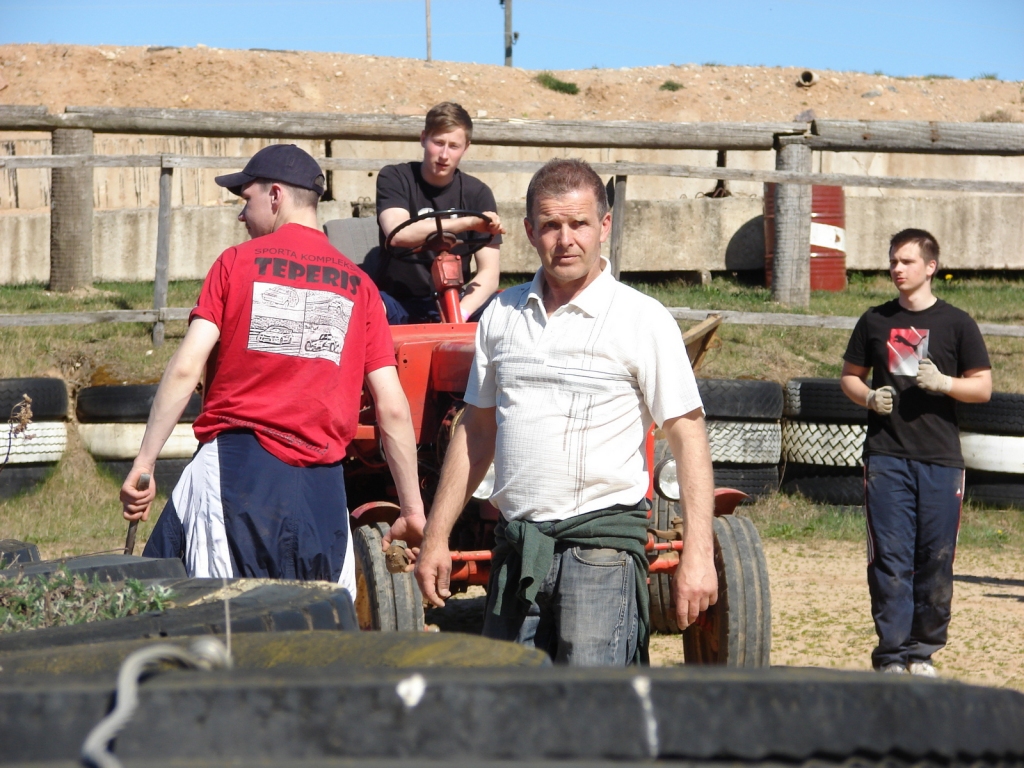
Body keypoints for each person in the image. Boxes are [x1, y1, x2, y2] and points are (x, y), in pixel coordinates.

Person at [414, 158, 718, 666]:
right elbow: (477, 432)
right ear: (530, 232)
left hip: (600, 554)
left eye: (578, 223)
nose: (565, 239)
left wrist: (699, 554)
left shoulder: (642, 320)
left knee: (594, 724)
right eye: (551, 225)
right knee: (515, 722)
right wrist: (436, 537)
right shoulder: (502, 315)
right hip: (518, 548)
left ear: (603, 226)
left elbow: (688, 437)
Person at [120, 144, 425, 594]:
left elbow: (187, 368)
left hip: (237, 476)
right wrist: (413, 510)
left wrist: (144, 465)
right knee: (312, 637)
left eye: (247, 199)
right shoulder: (360, 287)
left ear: (276, 196)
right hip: (323, 492)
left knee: (183, 617)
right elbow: (392, 409)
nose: (242, 216)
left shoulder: (235, 263)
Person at [840, 228, 991, 677]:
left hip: (941, 461)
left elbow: (982, 388)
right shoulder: (874, 320)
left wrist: (946, 384)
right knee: (890, 559)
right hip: (886, 457)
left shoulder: (957, 324)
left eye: (906, 261)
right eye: (893, 261)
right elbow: (849, 377)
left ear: (930, 267)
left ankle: (922, 652)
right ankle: (890, 655)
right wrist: (867, 398)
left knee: (935, 560)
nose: (897, 269)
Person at [374, 102, 505, 324]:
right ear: (423, 138)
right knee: (365, 305)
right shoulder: (395, 178)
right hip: (398, 302)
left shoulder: (478, 193)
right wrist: (467, 223)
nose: (444, 154)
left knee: (508, 308)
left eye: (454, 146)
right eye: (438, 143)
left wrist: (459, 315)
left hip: (455, 302)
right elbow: (398, 234)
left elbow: (489, 274)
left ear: (466, 147)